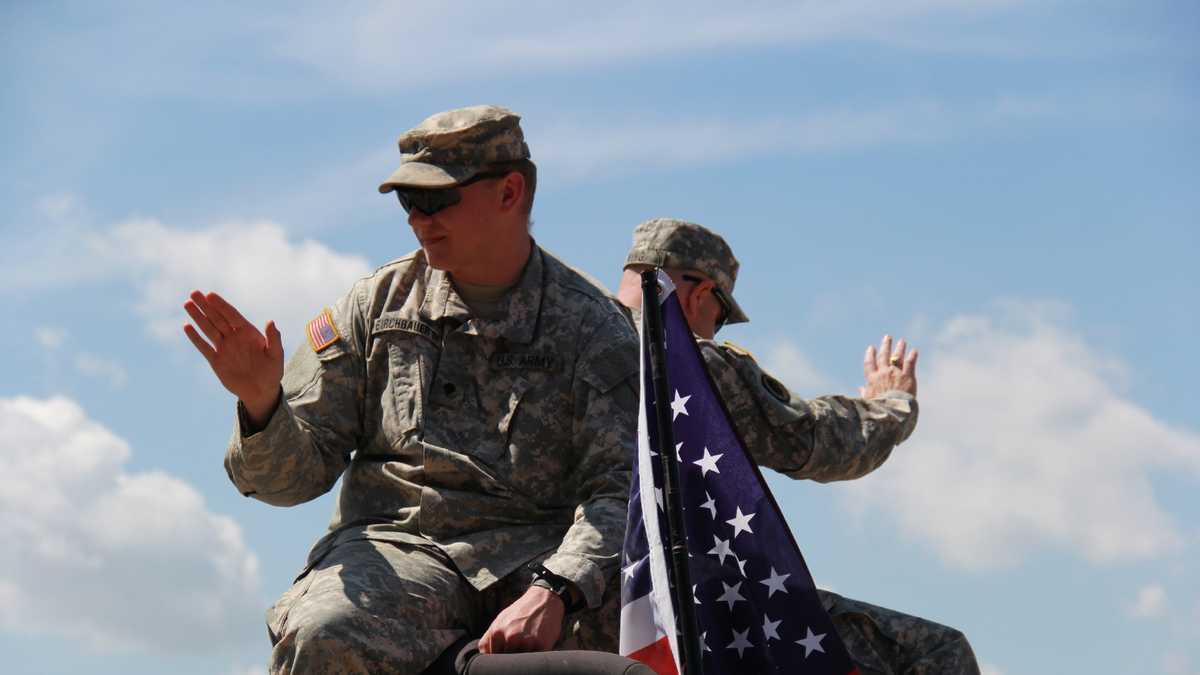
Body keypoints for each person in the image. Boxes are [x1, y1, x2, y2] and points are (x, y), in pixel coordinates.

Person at [182, 105, 639, 674]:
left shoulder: (594, 328)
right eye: (408, 202)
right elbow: (289, 482)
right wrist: (261, 402)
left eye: (438, 200)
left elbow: (621, 494)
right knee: (327, 632)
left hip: (538, 559)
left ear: (509, 192)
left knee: (636, 630)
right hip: (401, 551)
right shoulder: (376, 307)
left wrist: (557, 587)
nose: (419, 219)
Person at [615, 218, 981, 675]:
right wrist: (892, 403)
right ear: (700, 294)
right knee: (935, 652)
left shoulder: (574, 341)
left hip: (556, 606)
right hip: (681, 608)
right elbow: (813, 440)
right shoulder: (691, 362)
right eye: (722, 314)